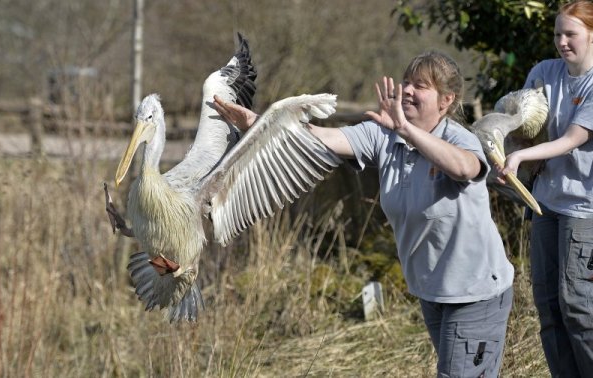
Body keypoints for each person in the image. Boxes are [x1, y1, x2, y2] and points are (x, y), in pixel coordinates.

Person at [215, 50, 514, 377]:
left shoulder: (458, 139)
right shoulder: (383, 135)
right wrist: (258, 125)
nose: (409, 91)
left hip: (476, 293)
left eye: (421, 86)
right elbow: (320, 139)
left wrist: (407, 131)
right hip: (433, 290)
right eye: (406, 83)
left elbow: (464, 168)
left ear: (446, 100)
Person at [499, 1, 593, 376]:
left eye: (571, 34)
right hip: (545, 205)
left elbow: (572, 138)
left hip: (584, 210)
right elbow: (522, 121)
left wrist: (521, 160)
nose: (562, 42)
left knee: (577, 305)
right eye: (557, 34)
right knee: (549, 306)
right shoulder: (544, 72)